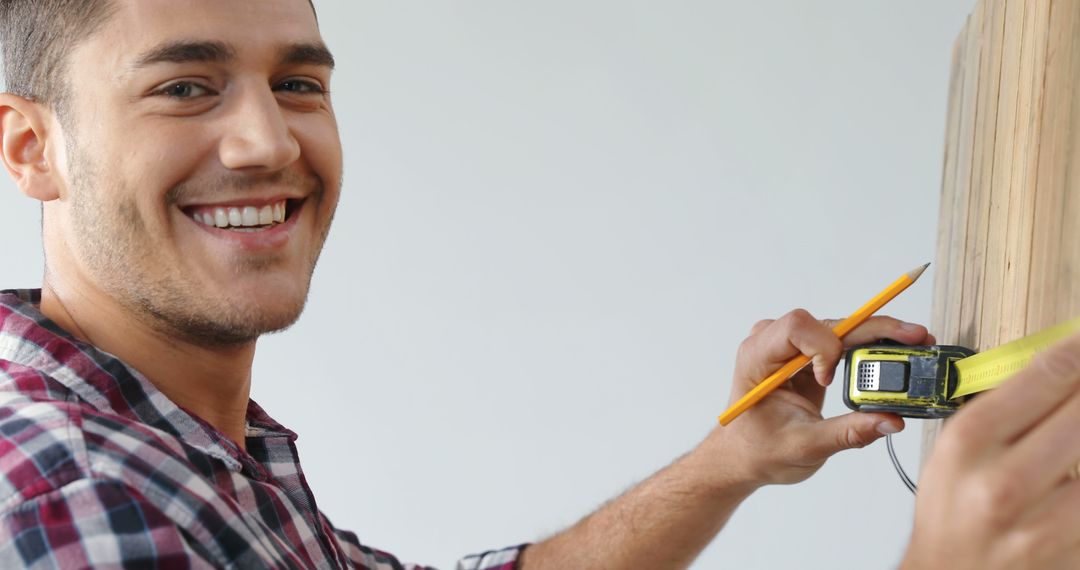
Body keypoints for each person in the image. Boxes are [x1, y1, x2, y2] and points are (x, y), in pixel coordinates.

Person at [0, 1, 1078, 568]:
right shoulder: (70, 501)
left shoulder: (182, 443)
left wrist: (726, 463)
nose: (265, 140)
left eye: (297, 83)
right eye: (185, 87)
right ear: (30, 148)